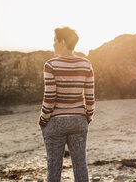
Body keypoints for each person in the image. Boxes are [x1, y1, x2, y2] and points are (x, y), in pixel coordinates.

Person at [38, 26, 95, 182]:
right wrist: (87, 117)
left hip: (55, 122)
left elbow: (49, 98)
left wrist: (43, 120)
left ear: (62, 42)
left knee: (54, 169)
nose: (53, 44)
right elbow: (90, 98)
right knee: (80, 166)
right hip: (79, 121)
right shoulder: (86, 64)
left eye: (55, 41)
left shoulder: (50, 65)